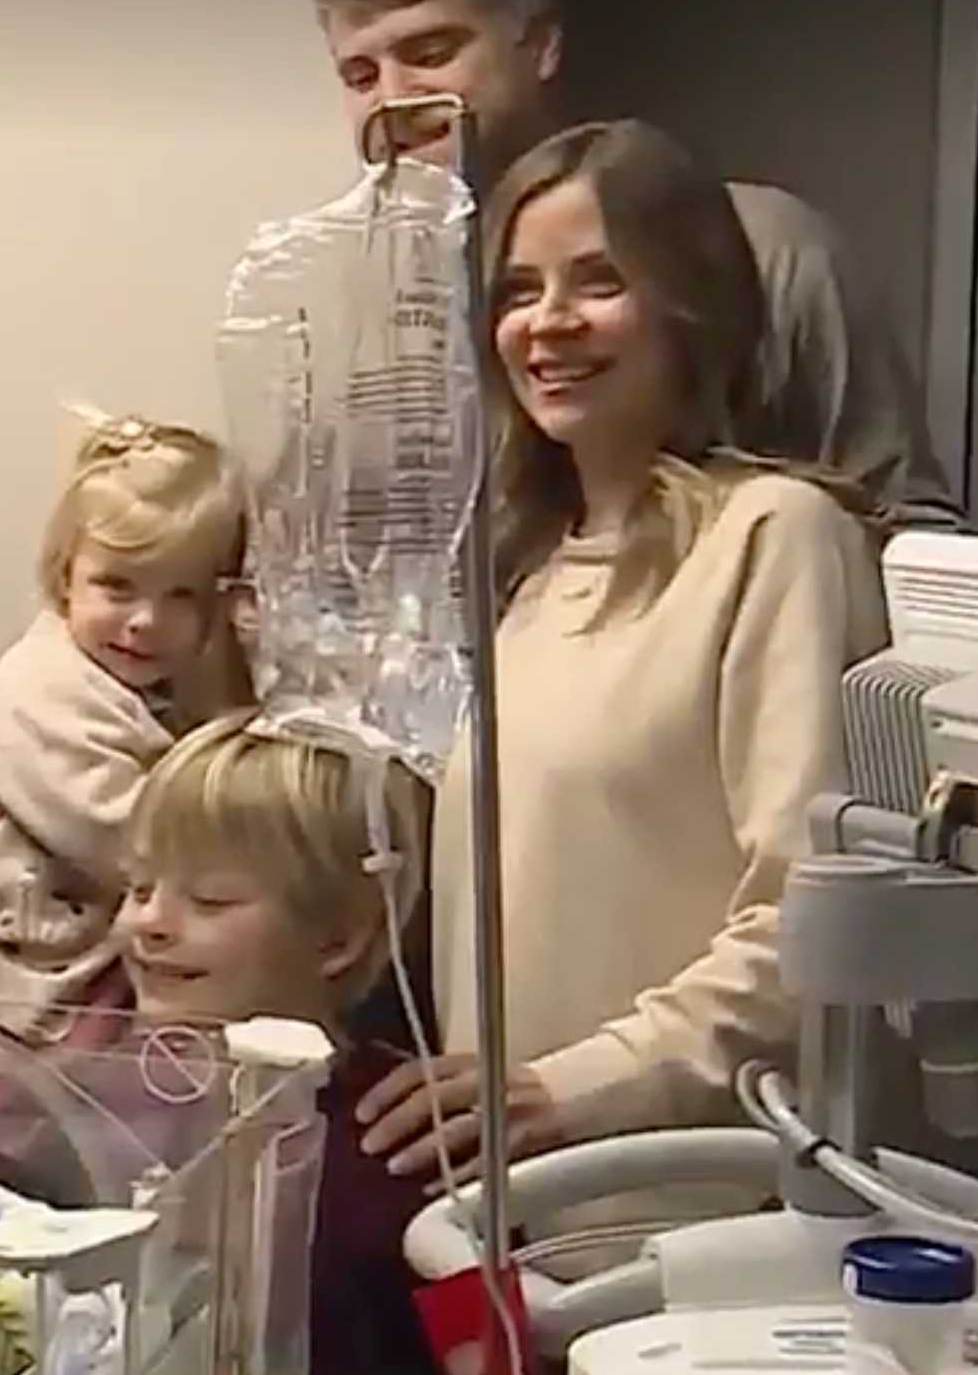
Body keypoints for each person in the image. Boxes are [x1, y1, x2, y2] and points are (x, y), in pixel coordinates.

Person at [355, 121, 889, 1181]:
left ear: (692, 307)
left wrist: (578, 1087)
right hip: (509, 1204)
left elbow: (815, 926)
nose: (547, 324)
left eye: (596, 282)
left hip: (679, 1204)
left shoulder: (775, 540)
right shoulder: (527, 571)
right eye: (517, 291)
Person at [311, 0, 961, 527]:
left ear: (540, 45)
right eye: (360, 77)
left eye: (430, 54)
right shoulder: (375, 317)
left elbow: (910, 536)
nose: (393, 100)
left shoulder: (766, 248)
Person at [118, 711, 441, 1375]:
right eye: (139, 888)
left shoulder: (398, 1160)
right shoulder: (112, 1114)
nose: (149, 921)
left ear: (337, 938)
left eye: (207, 900)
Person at [0, 413, 248, 1035]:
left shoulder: (143, 685)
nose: (146, 621)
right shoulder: (39, 692)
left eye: (182, 596)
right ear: (64, 576)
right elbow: (139, 844)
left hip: (72, 965)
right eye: (117, 586)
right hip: (12, 992)